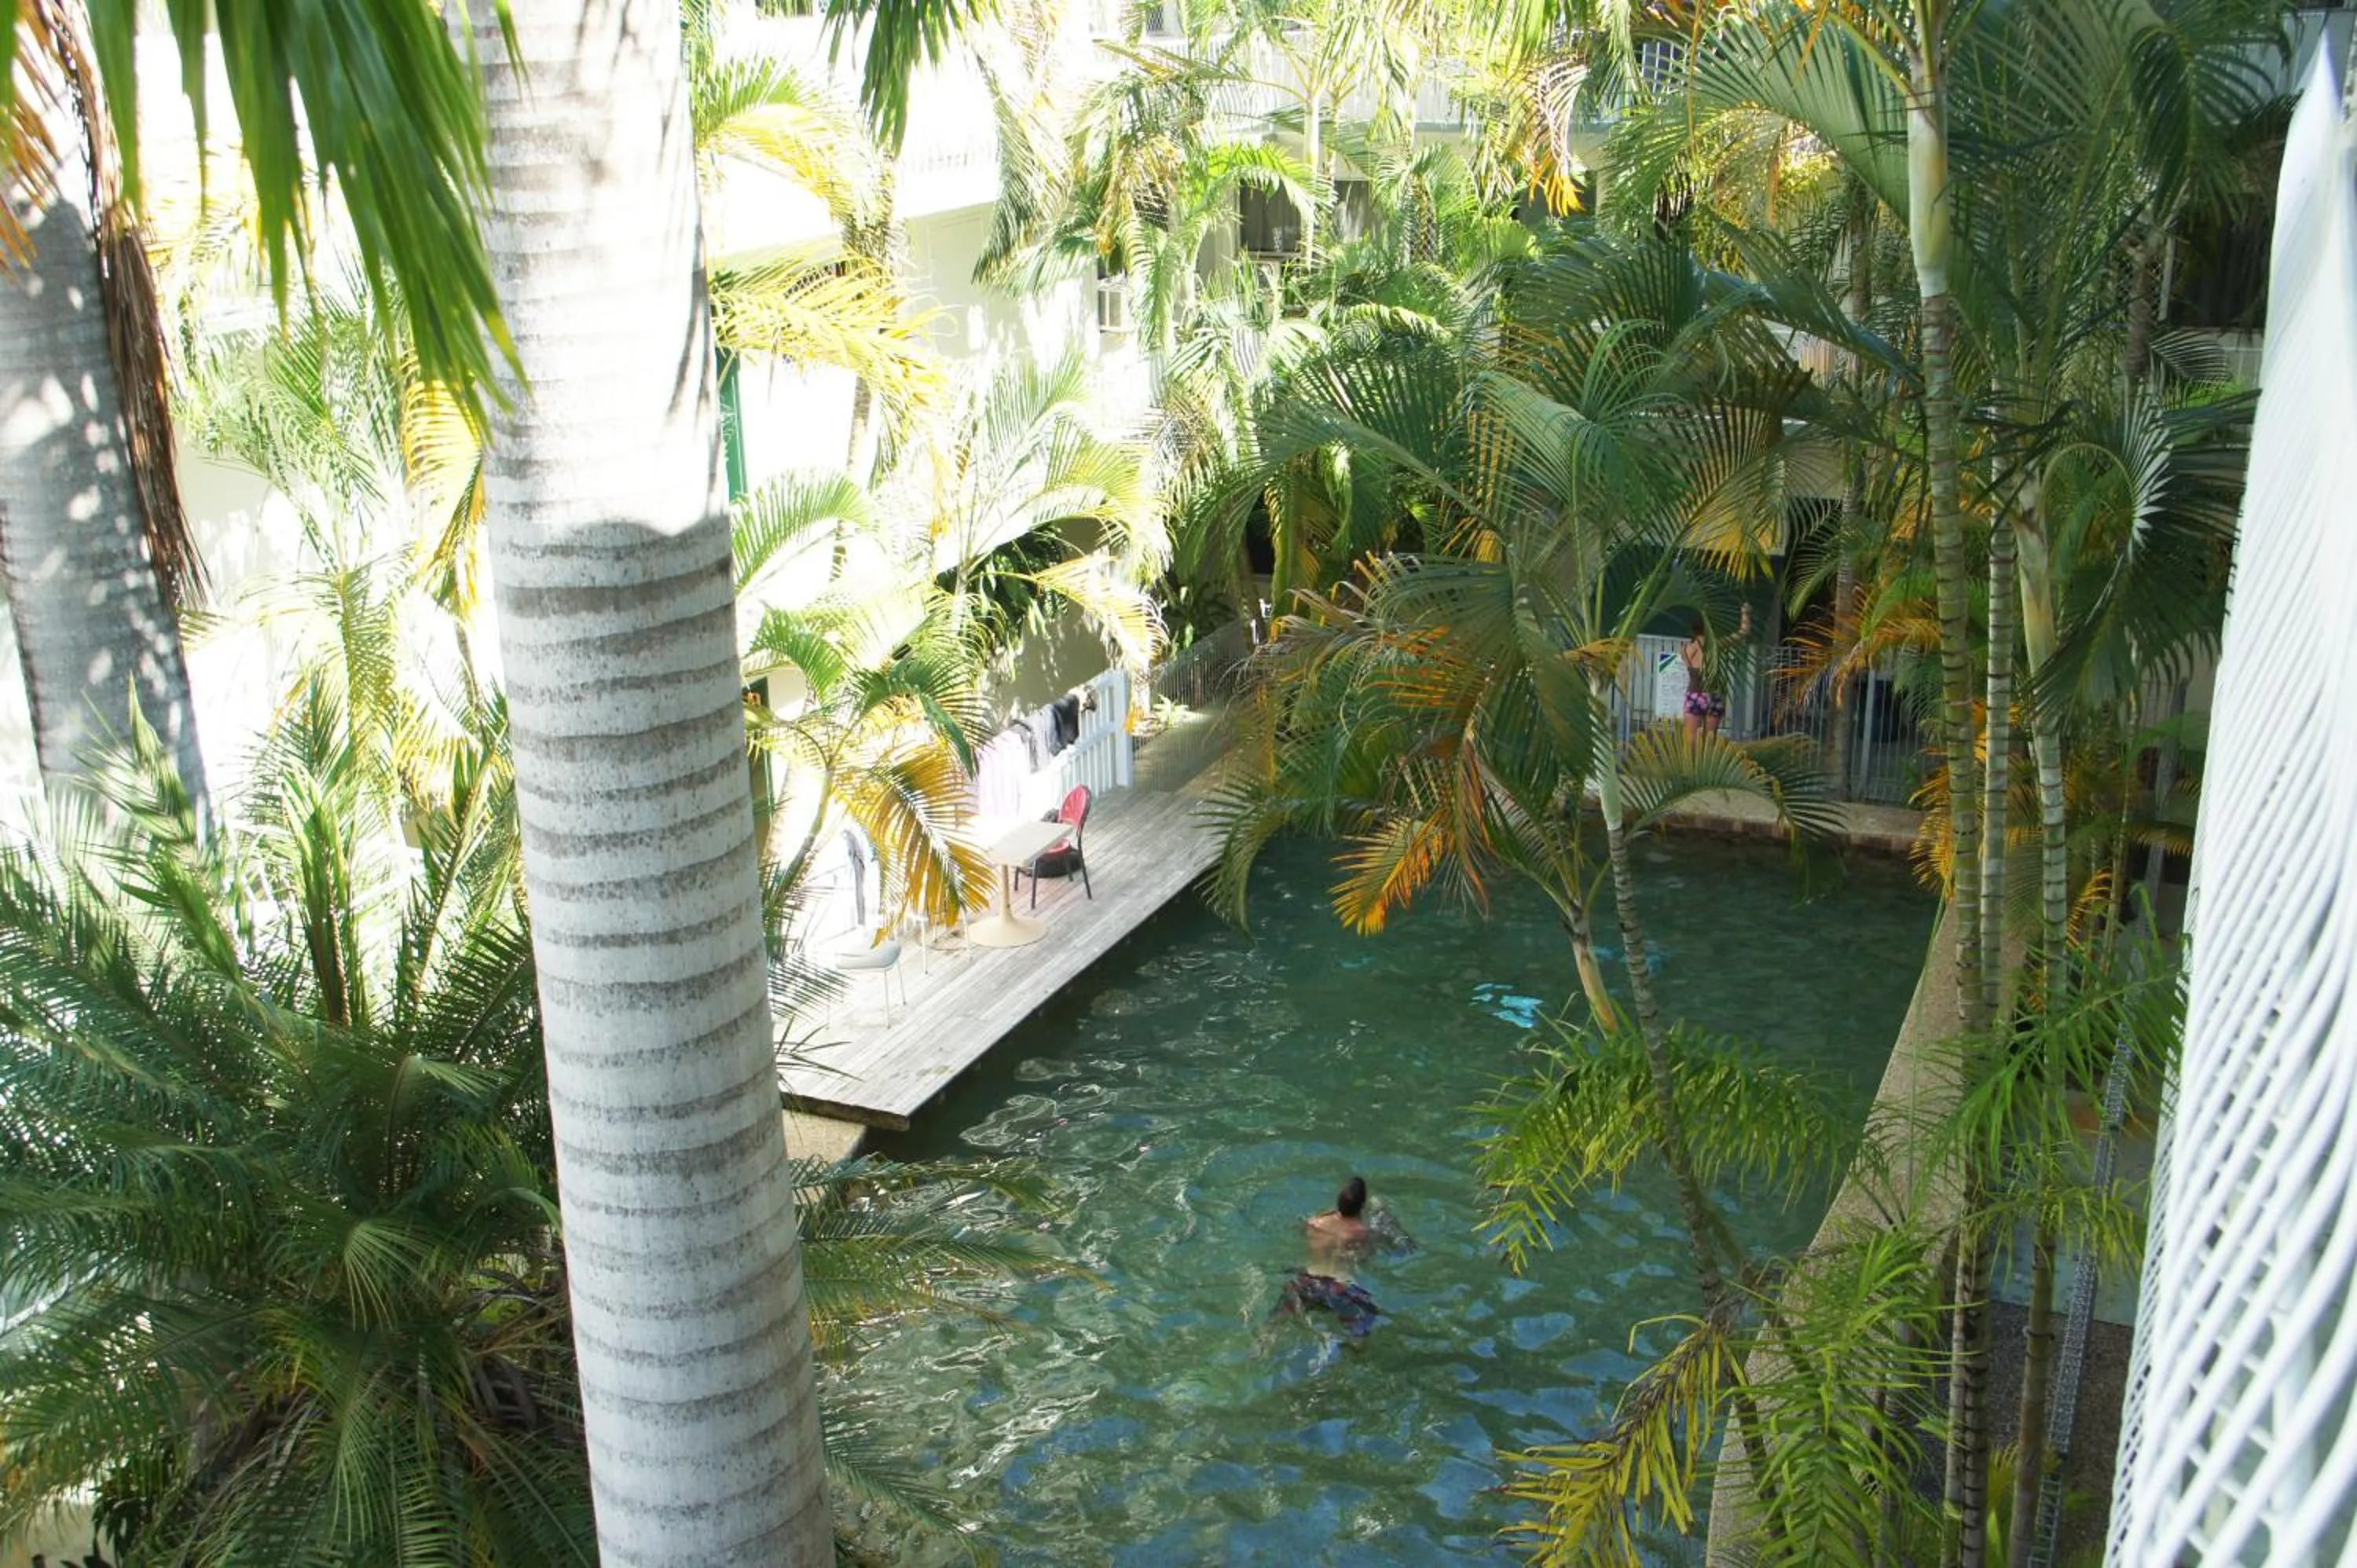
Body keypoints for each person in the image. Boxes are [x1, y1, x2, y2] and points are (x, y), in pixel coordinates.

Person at [1275, 1177, 1384, 1338]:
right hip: (1339, 1288)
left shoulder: (1314, 1223)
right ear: (1362, 1206)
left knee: (1275, 1321)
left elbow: (1299, 1231)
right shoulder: (1364, 1232)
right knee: (1370, 1315)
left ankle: (1262, 1342)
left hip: (1306, 1282)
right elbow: (1366, 1258)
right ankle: (1353, 1348)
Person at [1681, 604, 1751, 740]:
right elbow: (1744, 631)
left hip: (1695, 695)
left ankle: (1693, 761)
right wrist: (1745, 612)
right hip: (1714, 696)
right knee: (1709, 740)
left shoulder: (1685, 649)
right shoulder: (1717, 646)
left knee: (1691, 739)